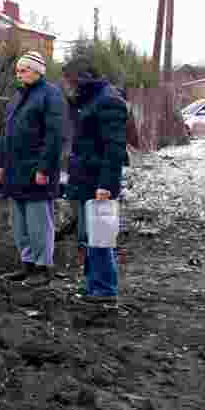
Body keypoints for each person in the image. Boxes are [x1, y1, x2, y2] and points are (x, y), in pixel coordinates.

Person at [60, 57, 129, 302]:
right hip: (84, 178)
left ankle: (104, 289)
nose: (66, 85)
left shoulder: (108, 101)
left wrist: (106, 185)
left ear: (81, 78)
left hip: (97, 181)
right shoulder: (89, 101)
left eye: (68, 80)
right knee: (87, 237)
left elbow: (115, 149)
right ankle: (93, 286)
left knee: (99, 237)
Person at [0, 50, 65, 286]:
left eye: (23, 70)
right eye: (18, 71)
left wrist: (44, 169)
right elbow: (7, 135)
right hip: (15, 170)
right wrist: (1, 164)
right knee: (19, 223)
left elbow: (54, 136)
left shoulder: (51, 95)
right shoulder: (18, 97)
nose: (19, 74)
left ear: (38, 71)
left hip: (37, 170)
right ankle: (27, 264)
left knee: (38, 222)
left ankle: (43, 267)